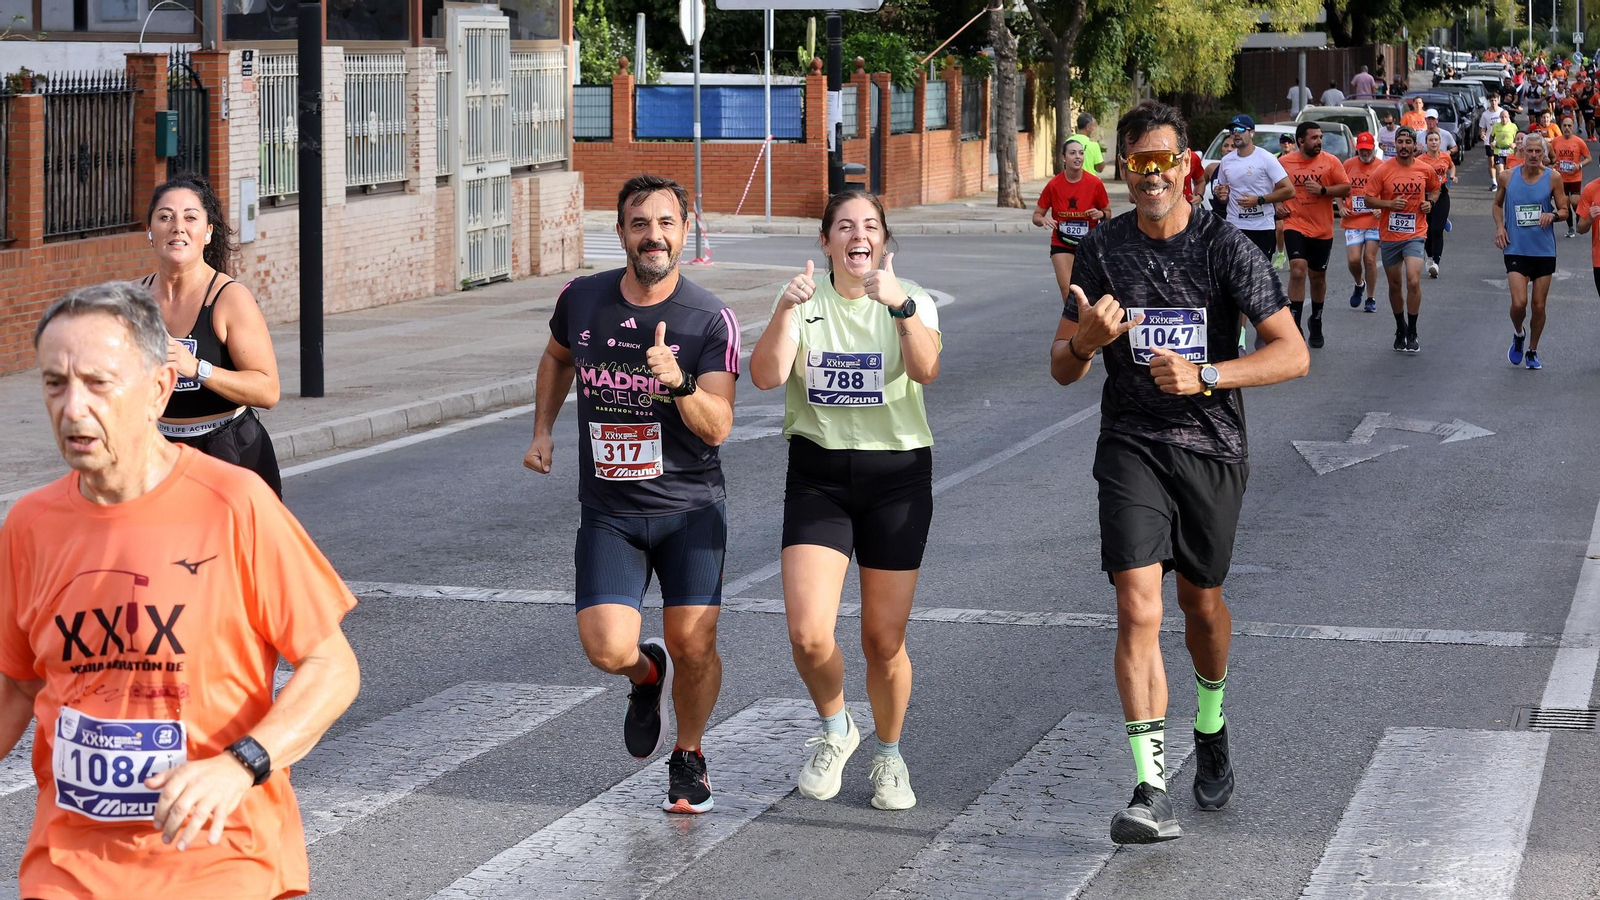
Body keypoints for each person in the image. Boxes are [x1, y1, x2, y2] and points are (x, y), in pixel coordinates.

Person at [2, 282, 361, 899]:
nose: (73, 407)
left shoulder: (234, 505)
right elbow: (15, 684)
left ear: (159, 389)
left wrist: (240, 764)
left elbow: (332, 668)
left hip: (219, 861)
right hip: (69, 869)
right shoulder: (30, 525)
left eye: (98, 383)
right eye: (55, 384)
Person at [1050, 100, 1308, 846]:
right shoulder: (1103, 249)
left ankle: (1212, 720)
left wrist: (1207, 375)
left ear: (1188, 165)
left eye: (1165, 161)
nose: (1153, 175)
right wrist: (1085, 343)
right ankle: (1150, 788)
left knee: (1201, 605)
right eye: (1139, 162)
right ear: (1123, 168)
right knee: (1138, 607)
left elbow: (1292, 354)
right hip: (1131, 443)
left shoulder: (1225, 248)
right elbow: (1062, 366)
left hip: (1210, 448)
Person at [522, 174, 740, 815]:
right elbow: (557, 357)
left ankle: (689, 755)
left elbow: (719, 427)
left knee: (694, 644)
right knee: (607, 648)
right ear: (620, 232)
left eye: (666, 223)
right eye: (640, 223)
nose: (654, 236)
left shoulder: (709, 319)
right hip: (611, 512)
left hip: (689, 510)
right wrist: (542, 431)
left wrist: (678, 383)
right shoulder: (582, 299)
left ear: (685, 231)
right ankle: (646, 676)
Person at [748, 191, 941, 812]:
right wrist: (784, 310)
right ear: (826, 241)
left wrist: (900, 307)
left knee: (882, 641)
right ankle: (837, 727)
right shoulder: (804, 300)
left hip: (896, 477)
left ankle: (889, 752)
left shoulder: (911, 298)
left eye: (871, 227)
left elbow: (926, 369)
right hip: (819, 475)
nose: (859, 236)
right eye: (845, 227)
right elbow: (765, 376)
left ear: (883, 240)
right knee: (808, 634)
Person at [138, 175, 282, 497]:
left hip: (227, 451)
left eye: (190, 217)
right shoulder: (133, 300)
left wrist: (197, 368)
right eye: (165, 217)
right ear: (149, 231)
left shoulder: (229, 298)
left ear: (207, 232)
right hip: (160, 452)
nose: (178, 227)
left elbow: (268, 390)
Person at [1278, 121, 1352, 348]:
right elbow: (1270, 187)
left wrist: (1323, 190)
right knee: (1298, 270)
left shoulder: (1331, 162)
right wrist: (1277, 205)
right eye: (1314, 138)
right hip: (1294, 223)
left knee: (1318, 277)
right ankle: (1295, 325)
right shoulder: (1284, 163)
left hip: (1322, 228)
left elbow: (1346, 188)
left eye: (1320, 137)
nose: (1319, 141)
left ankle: (1316, 319)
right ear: (1301, 141)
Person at [1368, 126, 1442, 352]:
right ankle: (1400, 327)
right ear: (1395, 144)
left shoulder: (1425, 169)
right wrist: (1389, 204)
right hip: (1390, 235)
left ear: (1414, 145)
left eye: (1407, 142)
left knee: (1413, 280)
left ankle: (1413, 330)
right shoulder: (1383, 170)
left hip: (1415, 233)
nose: (1403, 146)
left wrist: (1430, 202)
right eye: (1400, 142)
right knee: (1395, 284)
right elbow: (1369, 199)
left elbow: (1436, 189)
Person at [1496, 134, 1565, 371]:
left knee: (1538, 305)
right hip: (1516, 248)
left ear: (1544, 153)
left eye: (1538, 151)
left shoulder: (1553, 178)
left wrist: (1552, 215)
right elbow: (1496, 205)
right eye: (1530, 151)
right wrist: (1500, 226)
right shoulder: (1507, 176)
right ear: (1522, 152)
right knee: (1519, 304)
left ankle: (1532, 350)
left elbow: (1564, 210)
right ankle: (1519, 333)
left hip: (1543, 250)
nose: (1534, 155)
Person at [1034, 138, 1112, 302]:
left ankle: (1086, 319)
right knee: (1068, 290)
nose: (1078, 157)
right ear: (1063, 157)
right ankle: (1072, 319)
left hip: (1088, 244)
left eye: (1081, 153)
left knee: (1089, 291)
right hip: (1062, 243)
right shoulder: (1054, 185)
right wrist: (1043, 220)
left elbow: (1107, 213)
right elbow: (1037, 216)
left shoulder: (1095, 183)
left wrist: (1100, 214)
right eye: (1072, 153)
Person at [1212, 115, 1294, 271]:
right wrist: (1222, 195)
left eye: (1240, 129)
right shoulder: (1226, 161)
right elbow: (1223, 193)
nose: (1236, 133)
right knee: (1236, 274)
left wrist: (1259, 200)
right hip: (1235, 226)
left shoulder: (1266, 158)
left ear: (1252, 133)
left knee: (1259, 276)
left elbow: (1289, 190)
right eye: (1232, 130)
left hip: (1262, 227)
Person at [1342, 133, 1385, 313]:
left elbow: (1389, 191)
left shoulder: (1382, 166)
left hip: (1374, 221)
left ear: (1373, 148)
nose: (1365, 153)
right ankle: (1359, 283)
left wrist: (1381, 208)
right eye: (1361, 149)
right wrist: (1340, 206)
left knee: (1369, 259)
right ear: (1357, 148)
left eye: (1367, 149)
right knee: (1353, 261)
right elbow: (1338, 186)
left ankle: (1370, 298)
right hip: (1353, 220)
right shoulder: (1348, 165)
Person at [1419, 130, 1456, 279]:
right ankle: (1429, 257)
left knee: (1437, 230)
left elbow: (1452, 166)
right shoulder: (1420, 160)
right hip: (1426, 195)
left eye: (1436, 140)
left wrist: (1452, 175)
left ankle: (1436, 262)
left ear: (1440, 142)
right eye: (1430, 140)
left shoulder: (1445, 156)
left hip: (1442, 193)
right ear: (1426, 143)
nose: (1433, 142)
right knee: (1427, 230)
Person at [1549, 115, 1591, 237]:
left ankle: (1578, 219)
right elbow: (1551, 158)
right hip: (1561, 178)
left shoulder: (1579, 141)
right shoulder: (1555, 141)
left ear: (1573, 127)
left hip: (1575, 178)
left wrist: (1579, 165)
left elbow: (1589, 158)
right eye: (1564, 126)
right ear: (1561, 127)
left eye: (1569, 126)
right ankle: (1570, 228)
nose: (1567, 128)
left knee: (1575, 202)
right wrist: (1553, 164)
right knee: (1565, 204)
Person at [1480, 95, 1505, 188]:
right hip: (1489, 141)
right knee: (1491, 161)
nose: (1493, 102)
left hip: (1501, 141)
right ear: (1489, 101)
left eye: (1495, 100)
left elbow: (1508, 125)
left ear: (1498, 100)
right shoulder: (1485, 114)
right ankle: (1494, 182)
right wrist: (1482, 134)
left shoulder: (1502, 112)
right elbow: (1483, 127)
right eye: (1491, 101)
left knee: (1501, 163)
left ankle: (1502, 181)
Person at [1490, 109, 1519, 186]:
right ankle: (1501, 187)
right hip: (1498, 151)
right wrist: (1491, 143)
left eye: (1505, 117)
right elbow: (1491, 136)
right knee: (1500, 171)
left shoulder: (1513, 126)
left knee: (1509, 171)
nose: (1504, 119)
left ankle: (1508, 186)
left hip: (1510, 151)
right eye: (1502, 117)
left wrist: (1515, 144)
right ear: (1500, 117)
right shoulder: (1496, 126)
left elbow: (1518, 138)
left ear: (1508, 117)